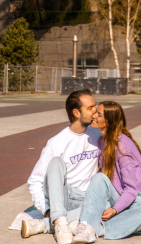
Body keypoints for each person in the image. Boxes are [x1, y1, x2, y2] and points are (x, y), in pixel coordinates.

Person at [72, 101, 141, 243]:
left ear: (108, 122)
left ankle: (95, 228)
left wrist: (115, 210)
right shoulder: (103, 140)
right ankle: (88, 227)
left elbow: (131, 189)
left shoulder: (122, 146)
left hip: (136, 197)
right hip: (116, 194)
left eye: (98, 114)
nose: (94, 115)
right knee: (98, 179)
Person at [22, 89, 101, 244]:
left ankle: (52, 224)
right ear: (77, 113)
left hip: (87, 199)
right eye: (90, 108)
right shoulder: (57, 142)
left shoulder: (98, 135)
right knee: (56, 162)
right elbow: (35, 181)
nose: (95, 111)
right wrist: (47, 209)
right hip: (64, 198)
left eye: (95, 106)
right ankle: (58, 217)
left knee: (110, 202)